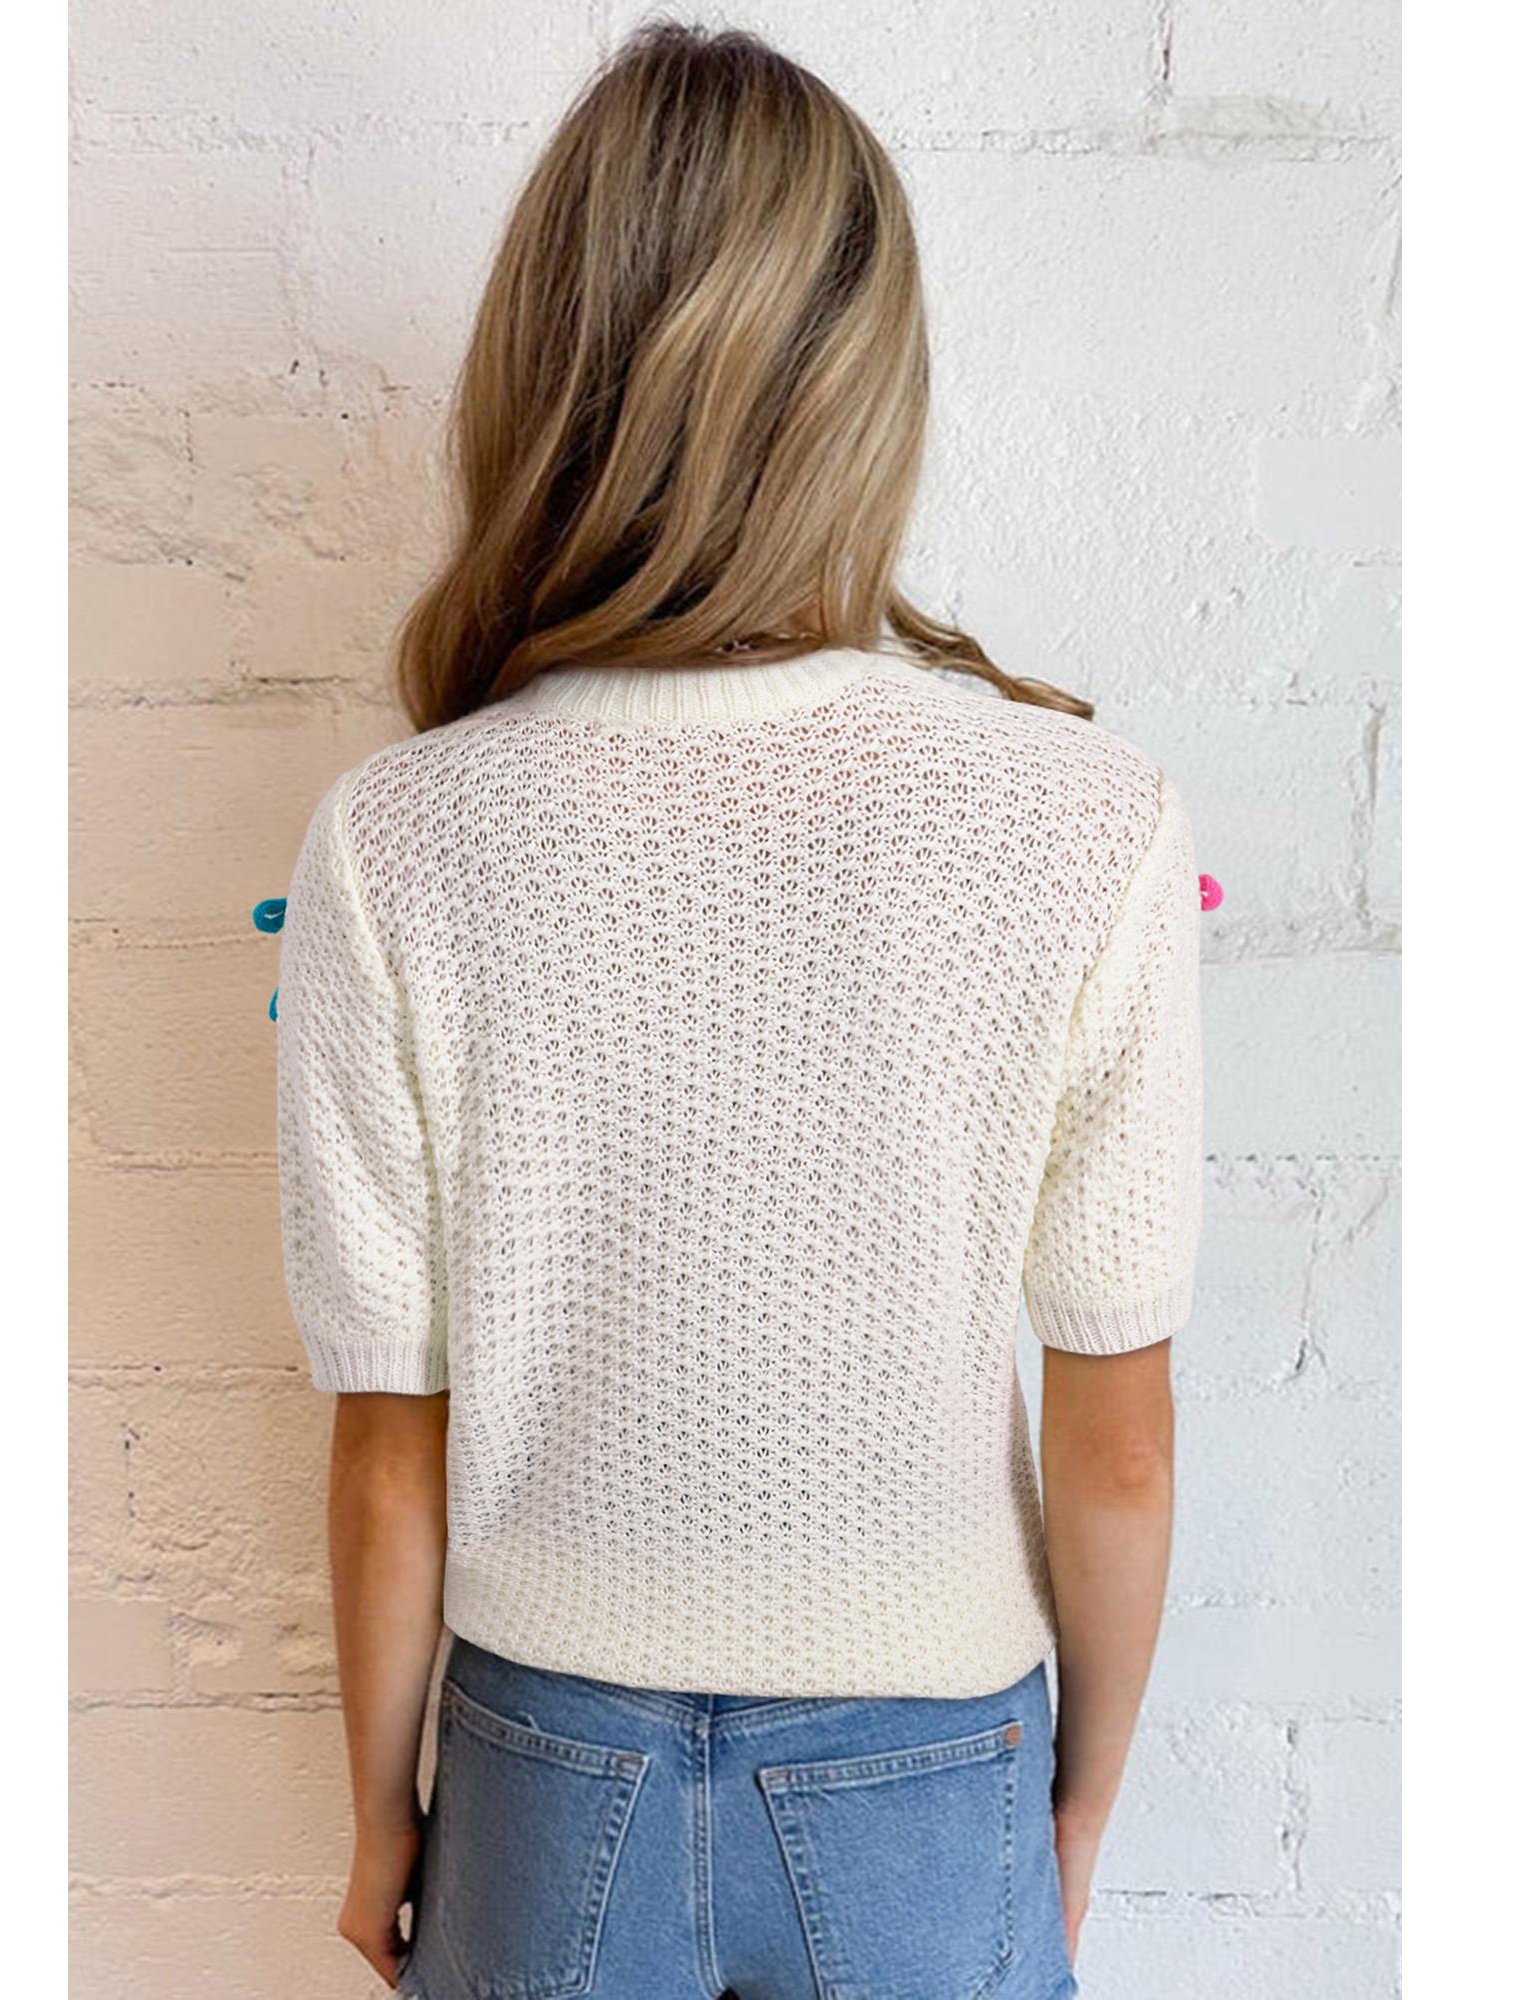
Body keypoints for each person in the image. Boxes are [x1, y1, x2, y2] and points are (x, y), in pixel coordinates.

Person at [271, 22, 1203, 2000]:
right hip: (930, 1763)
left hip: (545, 1770)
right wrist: (1075, 1812)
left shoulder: (395, 837)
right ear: (866, 384)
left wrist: (378, 1819)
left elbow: (386, 1451)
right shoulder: (1085, 820)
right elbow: (1117, 1448)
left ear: (547, 370)